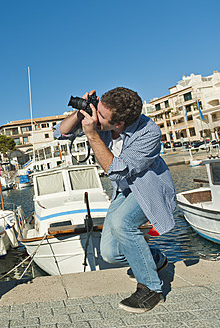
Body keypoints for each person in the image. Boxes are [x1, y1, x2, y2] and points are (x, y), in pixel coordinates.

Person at [54, 87, 176, 313]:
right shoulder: (102, 120)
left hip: (148, 189)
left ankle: (152, 289)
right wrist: (81, 112)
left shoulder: (149, 133)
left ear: (118, 124)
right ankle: (155, 260)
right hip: (123, 192)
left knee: (123, 223)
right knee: (110, 253)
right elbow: (59, 133)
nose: (95, 117)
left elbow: (116, 170)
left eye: (100, 116)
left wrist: (91, 134)